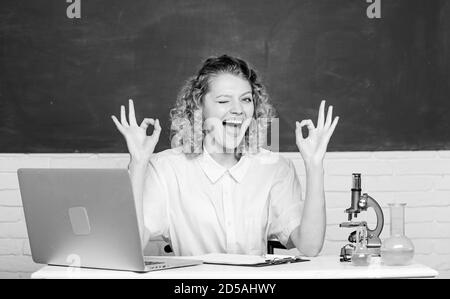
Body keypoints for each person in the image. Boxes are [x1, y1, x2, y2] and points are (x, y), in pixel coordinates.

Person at [111, 54, 339, 257]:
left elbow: (309, 246)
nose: (238, 109)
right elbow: (131, 246)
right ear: (198, 108)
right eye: (223, 100)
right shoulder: (165, 168)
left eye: (246, 99)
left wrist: (314, 165)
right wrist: (138, 164)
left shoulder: (276, 167)